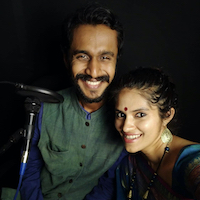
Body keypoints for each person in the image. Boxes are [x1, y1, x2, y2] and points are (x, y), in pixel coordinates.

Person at [18, 3, 127, 200]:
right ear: (67, 60)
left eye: (105, 57)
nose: (93, 72)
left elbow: (110, 183)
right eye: (82, 56)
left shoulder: (127, 118)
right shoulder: (42, 108)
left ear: (116, 60)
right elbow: (29, 170)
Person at [110, 67, 200, 199]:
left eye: (140, 114)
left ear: (167, 115)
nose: (125, 127)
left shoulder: (192, 163)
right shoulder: (128, 165)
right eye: (120, 114)